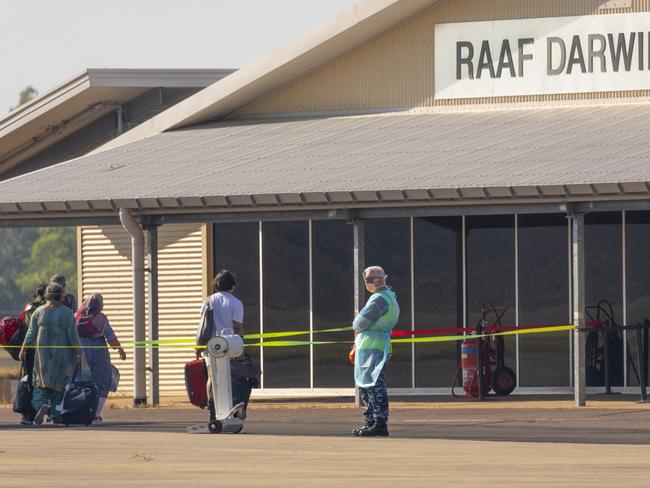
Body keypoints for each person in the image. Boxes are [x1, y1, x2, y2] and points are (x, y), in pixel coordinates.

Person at [19, 282, 81, 425]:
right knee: (59, 387)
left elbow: (31, 333)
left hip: (42, 357)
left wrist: (24, 349)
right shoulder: (67, 313)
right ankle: (55, 415)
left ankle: (41, 405)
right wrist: (79, 353)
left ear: (47, 295)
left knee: (40, 385)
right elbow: (73, 335)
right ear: (60, 296)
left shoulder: (39, 311)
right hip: (62, 356)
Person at [351, 266, 400, 437]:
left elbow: (359, 323)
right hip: (377, 345)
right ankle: (371, 420)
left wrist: (357, 321)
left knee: (374, 385)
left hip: (373, 346)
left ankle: (379, 422)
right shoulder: (390, 297)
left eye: (367, 280)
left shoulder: (379, 299)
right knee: (367, 385)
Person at [196, 270, 244, 422]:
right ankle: (229, 408)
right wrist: (241, 347)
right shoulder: (236, 303)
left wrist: (198, 346)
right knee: (230, 377)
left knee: (212, 376)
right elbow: (238, 327)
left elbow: (202, 326)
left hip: (211, 344)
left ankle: (212, 408)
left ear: (216, 285)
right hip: (229, 343)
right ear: (233, 286)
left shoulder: (208, 301)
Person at [75, 293, 126, 423]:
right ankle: (95, 413)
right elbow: (111, 336)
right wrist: (120, 349)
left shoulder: (76, 317)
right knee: (103, 382)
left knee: (82, 382)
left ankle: (80, 410)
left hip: (82, 354)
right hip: (99, 355)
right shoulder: (100, 318)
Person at [15, 284, 47, 425]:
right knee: (43, 381)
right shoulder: (47, 307)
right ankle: (48, 410)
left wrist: (24, 349)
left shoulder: (29, 307)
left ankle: (28, 415)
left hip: (29, 350)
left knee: (29, 381)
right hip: (44, 350)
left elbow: (25, 328)